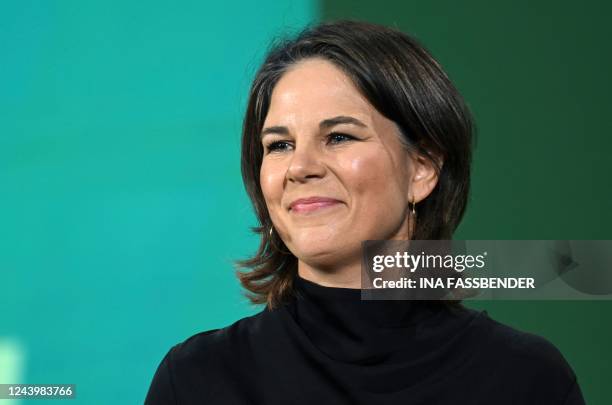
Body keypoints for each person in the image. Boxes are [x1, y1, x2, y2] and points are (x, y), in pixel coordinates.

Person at [144, 20, 585, 404]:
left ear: (423, 168)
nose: (300, 167)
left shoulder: (526, 379)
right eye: (279, 145)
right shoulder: (196, 380)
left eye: (338, 137)